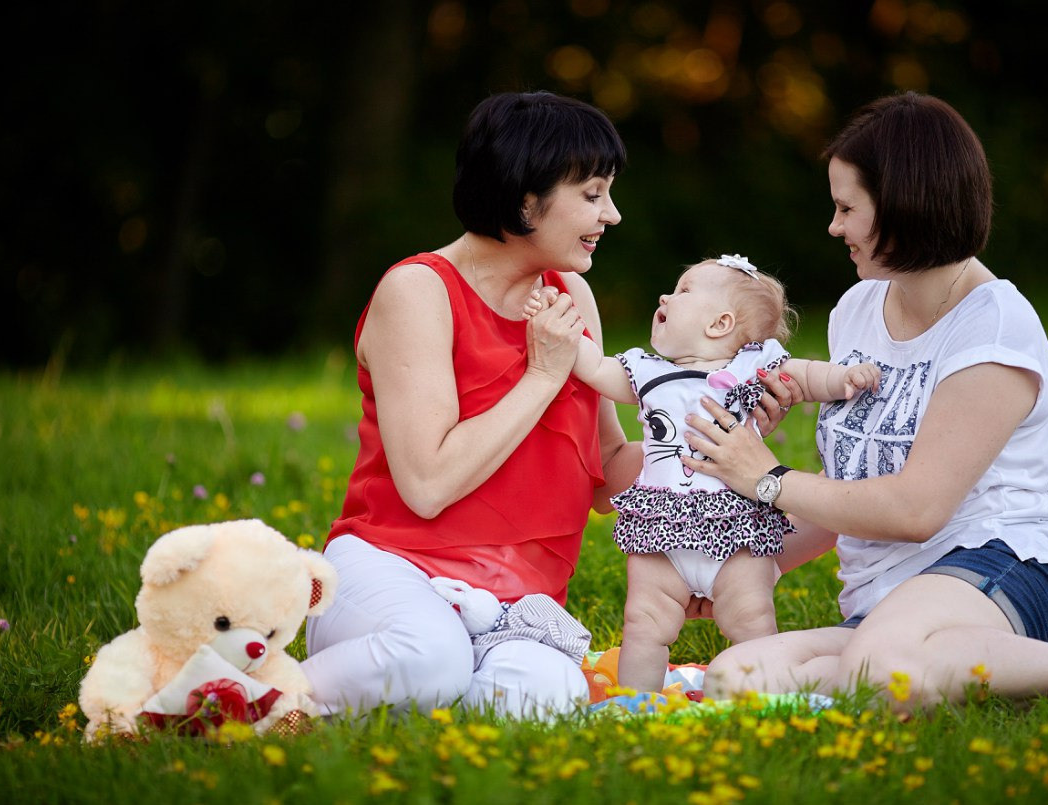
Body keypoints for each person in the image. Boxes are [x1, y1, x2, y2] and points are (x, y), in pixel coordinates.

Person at [686, 92, 1048, 712]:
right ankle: (1021, 683)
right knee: (735, 678)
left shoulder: (993, 325)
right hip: (886, 605)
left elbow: (916, 510)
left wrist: (767, 477)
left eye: (846, 208)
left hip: (990, 571)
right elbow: (848, 492)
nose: (833, 227)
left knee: (876, 672)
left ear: (904, 205)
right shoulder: (858, 310)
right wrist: (751, 565)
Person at [298, 90, 793, 719]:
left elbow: (609, 463)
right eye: (591, 194)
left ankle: (392, 696)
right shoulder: (419, 290)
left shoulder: (571, 297)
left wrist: (714, 441)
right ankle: (253, 696)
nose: (611, 215)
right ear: (524, 197)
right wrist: (541, 376)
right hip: (394, 570)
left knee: (541, 704)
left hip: (517, 601)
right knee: (425, 659)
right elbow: (426, 485)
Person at [524, 255, 880, 691]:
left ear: (719, 323)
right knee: (643, 622)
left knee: (751, 619)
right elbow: (595, 367)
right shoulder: (648, 372)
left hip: (735, 530)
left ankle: (757, 691)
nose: (665, 296)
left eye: (684, 290)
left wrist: (842, 377)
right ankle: (639, 702)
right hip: (661, 530)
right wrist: (557, 325)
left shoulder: (750, 368)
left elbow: (802, 377)